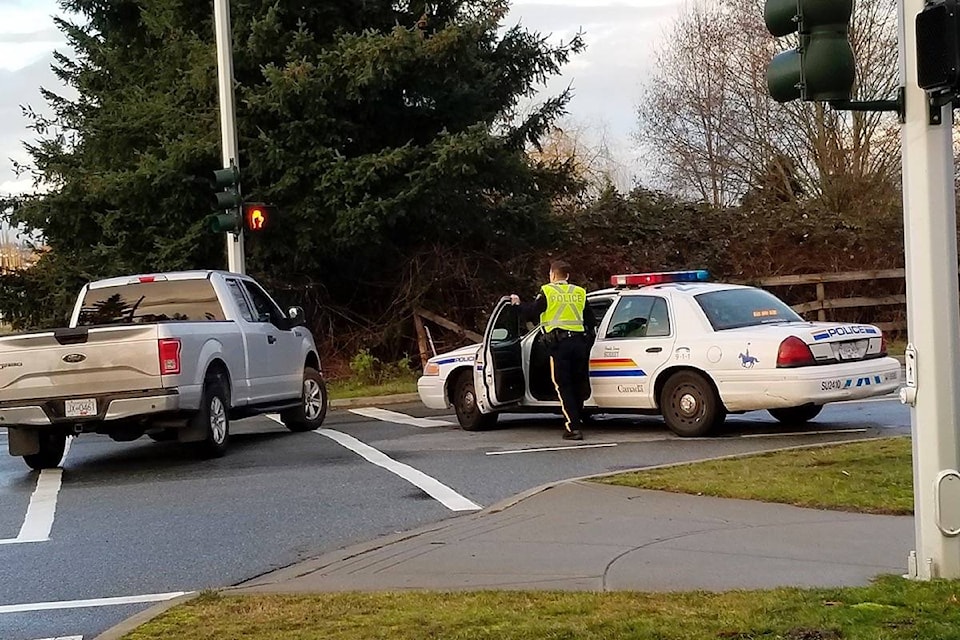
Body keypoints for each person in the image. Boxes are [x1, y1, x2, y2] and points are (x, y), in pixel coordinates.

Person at [511, 259, 596, 440]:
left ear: (552, 274)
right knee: (577, 383)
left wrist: (517, 305)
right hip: (579, 344)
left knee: (563, 385)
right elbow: (591, 321)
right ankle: (577, 420)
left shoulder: (548, 291)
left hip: (560, 345)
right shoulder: (579, 292)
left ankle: (572, 427)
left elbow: (532, 312)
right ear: (568, 275)